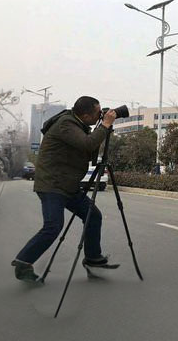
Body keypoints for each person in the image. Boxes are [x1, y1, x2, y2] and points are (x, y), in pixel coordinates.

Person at [12, 96, 120, 283]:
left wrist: (104, 127)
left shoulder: (79, 125)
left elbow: (89, 150)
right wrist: (104, 126)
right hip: (52, 185)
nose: (100, 115)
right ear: (85, 115)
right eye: (97, 112)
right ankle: (23, 262)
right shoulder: (66, 124)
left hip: (68, 185)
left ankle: (93, 259)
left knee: (92, 216)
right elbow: (88, 144)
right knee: (53, 226)